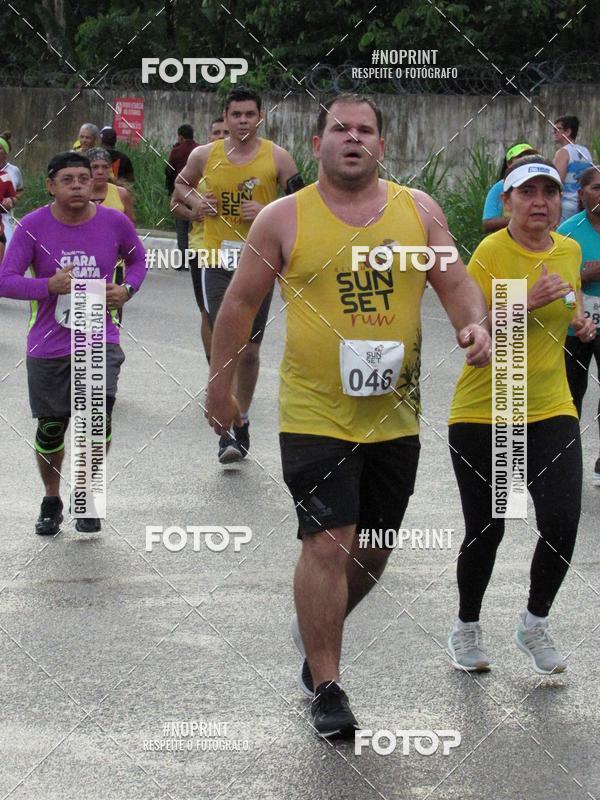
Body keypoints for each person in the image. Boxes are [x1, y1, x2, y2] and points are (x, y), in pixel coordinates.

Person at [205, 93, 491, 738]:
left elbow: (456, 283)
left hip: (396, 414)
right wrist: (221, 387)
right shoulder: (282, 219)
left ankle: (316, 629)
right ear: (316, 145)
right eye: (340, 129)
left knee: (375, 549)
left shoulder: (417, 211)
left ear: (382, 146)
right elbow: (239, 306)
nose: (352, 138)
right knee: (328, 542)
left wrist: (476, 328)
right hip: (313, 413)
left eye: (365, 130)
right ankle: (328, 684)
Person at [447, 156, 595, 676]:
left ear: (561, 202)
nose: (539, 203)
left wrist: (580, 324)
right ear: (506, 202)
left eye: (549, 194)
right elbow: (471, 325)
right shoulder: (491, 251)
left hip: (552, 408)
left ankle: (534, 622)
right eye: (527, 194)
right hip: (487, 409)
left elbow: (571, 304)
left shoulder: (570, 248)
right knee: (489, 526)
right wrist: (525, 302)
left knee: (561, 519)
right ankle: (466, 628)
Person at [0, 151, 147, 535]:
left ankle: (86, 493)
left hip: (100, 338)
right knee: (51, 428)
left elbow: (138, 261)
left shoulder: (114, 222)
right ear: (51, 186)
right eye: (68, 179)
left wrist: (127, 289)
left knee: (95, 423)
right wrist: (47, 285)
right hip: (48, 344)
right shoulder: (32, 227)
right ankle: (52, 498)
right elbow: (6, 279)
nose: (79, 184)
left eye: (84, 177)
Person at [173, 87, 301, 464]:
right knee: (224, 342)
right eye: (236, 114)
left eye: (249, 114)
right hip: (215, 261)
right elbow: (180, 187)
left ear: (259, 116)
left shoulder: (277, 157)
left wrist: (268, 208)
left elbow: (304, 203)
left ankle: (241, 416)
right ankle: (227, 427)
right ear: (225, 118)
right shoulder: (203, 155)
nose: (243, 120)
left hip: (259, 261)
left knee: (249, 351)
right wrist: (197, 204)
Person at [172, 117, 230, 363]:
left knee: (236, 314)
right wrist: (194, 211)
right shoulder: (200, 170)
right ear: (209, 137)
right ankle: (214, 369)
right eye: (216, 132)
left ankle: (232, 366)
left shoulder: (250, 171)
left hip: (239, 251)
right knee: (207, 313)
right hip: (202, 251)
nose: (220, 136)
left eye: (225, 132)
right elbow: (174, 204)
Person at [558, 165, 600, 485]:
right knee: (572, 394)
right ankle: (565, 461)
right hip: (577, 327)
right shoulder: (567, 232)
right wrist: (585, 276)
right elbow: (561, 286)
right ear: (581, 193)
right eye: (596, 188)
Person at [482, 143, 538, 234]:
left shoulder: (540, 185)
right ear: (509, 163)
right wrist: (521, 220)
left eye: (531, 157)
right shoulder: (499, 187)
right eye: (521, 157)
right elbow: (487, 223)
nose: (527, 161)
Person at [166, 124, 198, 257]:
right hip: (197, 192)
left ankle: (184, 259)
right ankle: (195, 255)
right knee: (196, 226)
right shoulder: (200, 149)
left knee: (182, 226)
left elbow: (169, 172)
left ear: (180, 137)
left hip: (181, 191)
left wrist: (170, 190)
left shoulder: (176, 151)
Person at [553, 115, 592, 223]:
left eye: (557, 129)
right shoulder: (586, 152)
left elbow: (556, 181)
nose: (554, 132)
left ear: (568, 132)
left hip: (566, 205)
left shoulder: (563, 152)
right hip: (583, 204)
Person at [88, 147, 135, 222]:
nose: (100, 172)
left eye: (105, 167)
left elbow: (130, 228)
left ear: (110, 169)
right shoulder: (78, 194)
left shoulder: (122, 194)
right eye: (95, 167)